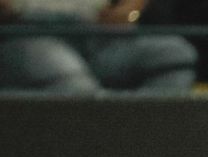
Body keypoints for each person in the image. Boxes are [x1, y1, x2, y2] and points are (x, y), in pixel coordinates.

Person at [0, 0, 195, 93]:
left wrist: (129, 10)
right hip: (26, 33)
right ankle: (104, 146)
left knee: (175, 55)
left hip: (97, 32)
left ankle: (144, 137)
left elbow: (132, 8)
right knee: (72, 79)